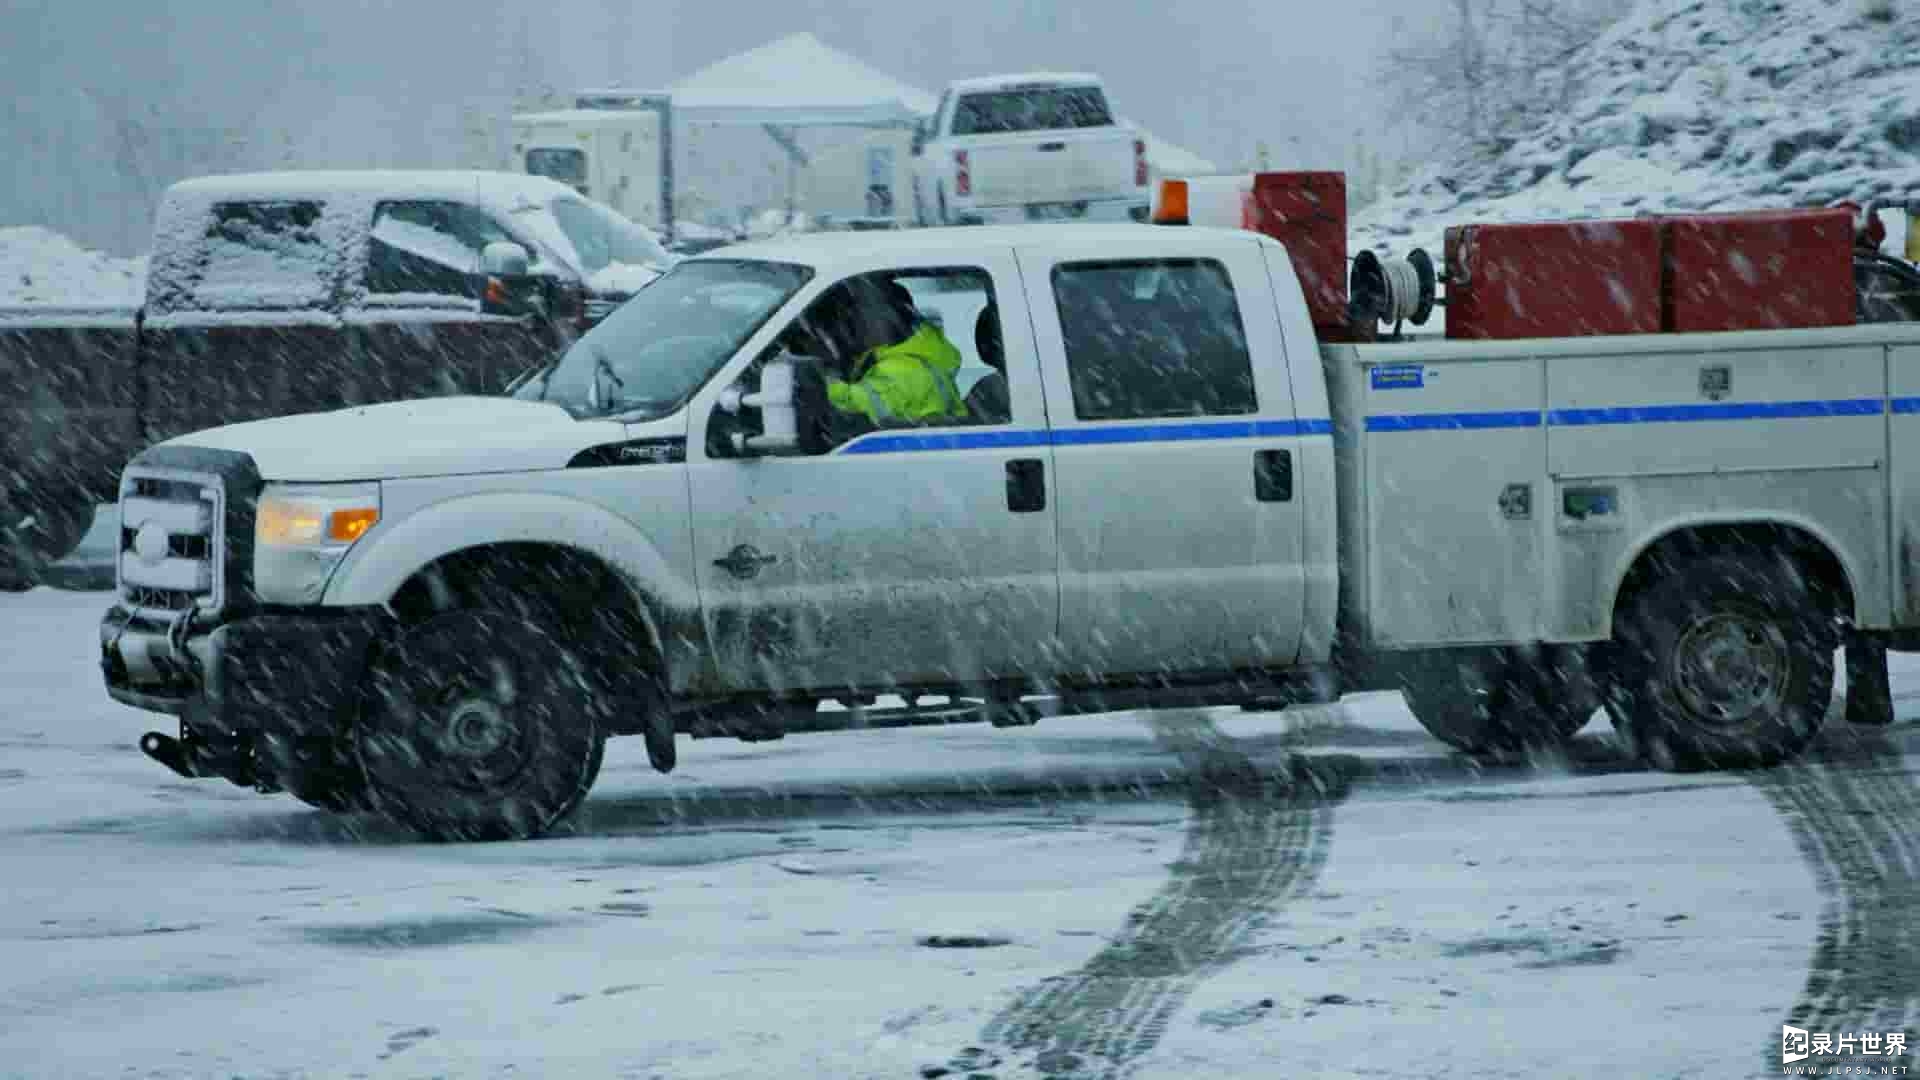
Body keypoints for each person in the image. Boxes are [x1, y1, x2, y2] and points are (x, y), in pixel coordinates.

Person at [821, 278, 969, 427]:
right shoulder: (911, 358)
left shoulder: (904, 372)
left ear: (889, 319)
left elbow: (851, 404)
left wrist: (824, 376)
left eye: (857, 312)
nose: (851, 322)